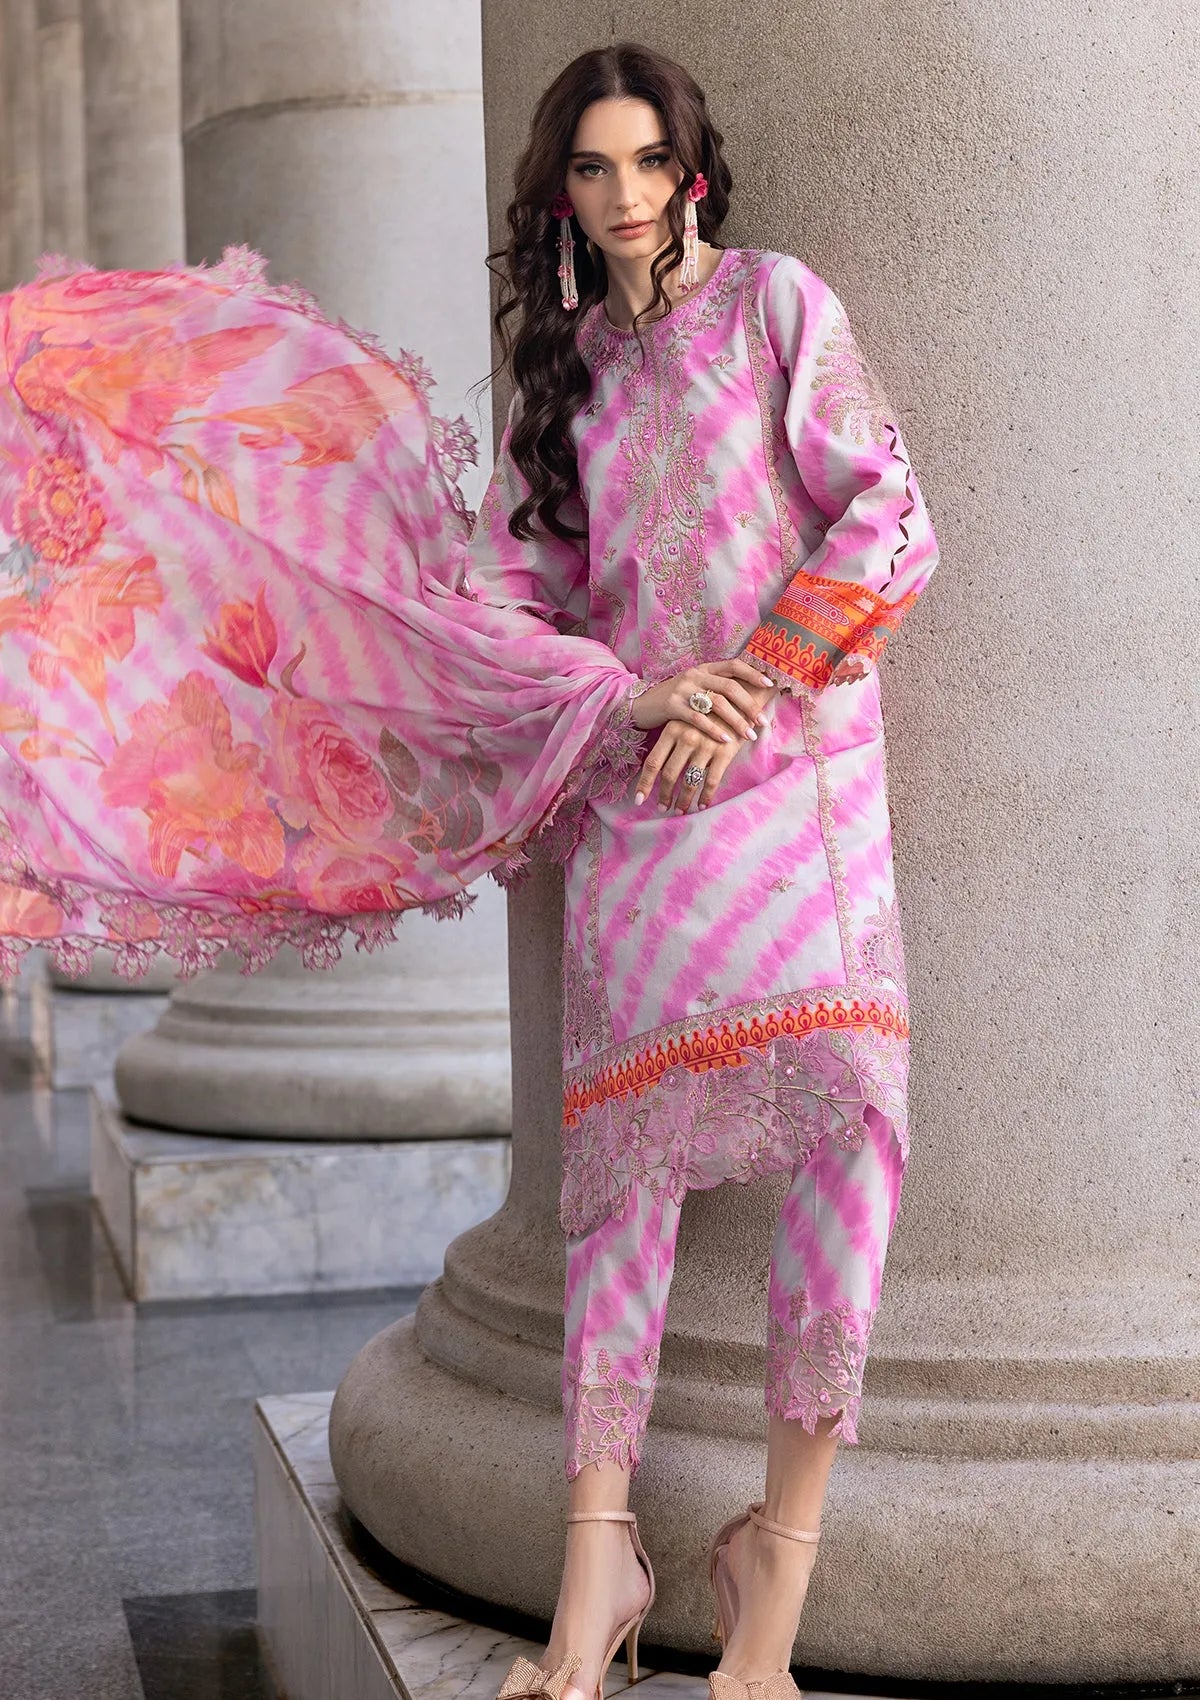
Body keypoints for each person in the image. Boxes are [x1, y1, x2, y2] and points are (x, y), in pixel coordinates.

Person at [0, 39, 938, 1700]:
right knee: (619, 1185)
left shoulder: (777, 309)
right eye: (592, 168)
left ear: (693, 169)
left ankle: (772, 1582)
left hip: (802, 793)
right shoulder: (564, 386)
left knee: (855, 1134)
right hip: (643, 805)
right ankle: (596, 1566)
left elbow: (891, 517)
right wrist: (632, 697)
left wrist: (760, 675)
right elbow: (510, 610)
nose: (627, 195)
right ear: (560, 193)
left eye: (648, 161)